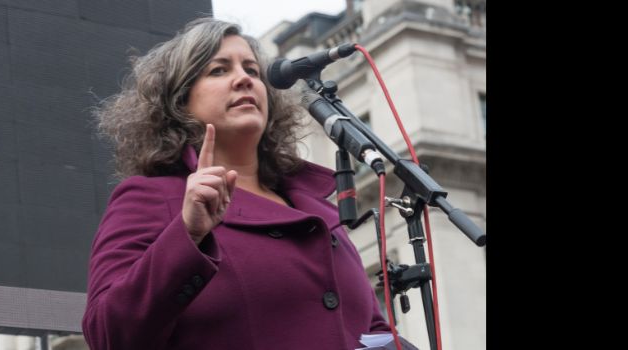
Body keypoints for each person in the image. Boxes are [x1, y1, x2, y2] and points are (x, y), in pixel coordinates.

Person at [83, 17, 418, 350]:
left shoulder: (319, 209)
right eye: (219, 70)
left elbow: (365, 326)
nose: (243, 79)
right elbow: (107, 333)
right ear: (179, 100)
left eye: (252, 71)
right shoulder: (153, 198)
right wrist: (187, 234)